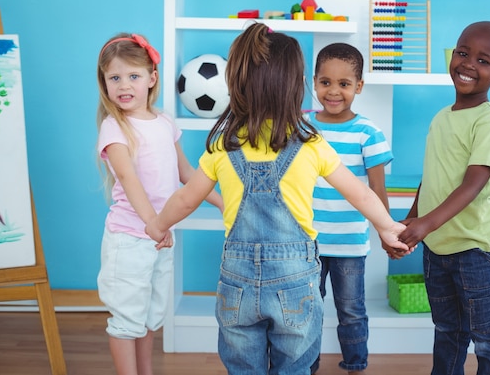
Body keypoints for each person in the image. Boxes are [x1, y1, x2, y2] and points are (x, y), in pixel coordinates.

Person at [144, 23, 411, 375]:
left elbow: (185, 198)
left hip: (236, 280)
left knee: (244, 368)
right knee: (294, 367)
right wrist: (388, 226)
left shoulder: (225, 143)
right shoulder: (311, 142)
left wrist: (158, 225)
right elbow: (360, 193)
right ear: (296, 85)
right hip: (296, 278)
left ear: (237, 84)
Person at [95, 32, 223, 375]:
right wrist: (154, 223)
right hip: (130, 238)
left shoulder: (165, 121)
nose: (125, 85)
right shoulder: (114, 127)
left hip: (160, 236)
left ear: (152, 79)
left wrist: (222, 203)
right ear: (104, 82)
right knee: (127, 319)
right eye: (115, 77)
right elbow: (128, 179)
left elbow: (186, 172)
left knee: (151, 315)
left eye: (133, 76)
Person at [398, 21, 490, 375]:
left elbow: (471, 185)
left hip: (477, 250)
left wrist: (424, 224)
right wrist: (413, 216)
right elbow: (432, 175)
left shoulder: (489, 124)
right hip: (438, 247)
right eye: (463, 53)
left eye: (482, 60)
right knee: (448, 330)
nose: (467, 64)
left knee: (487, 337)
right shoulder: (441, 118)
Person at [306, 43, 394, 375]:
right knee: (307, 311)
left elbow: (377, 189)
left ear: (358, 86)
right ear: (314, 82)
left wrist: (388, 232)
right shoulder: (302, 126)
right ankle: (306, 366)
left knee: (351, 310)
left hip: (349, 243)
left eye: (344, 84)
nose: (333, 91)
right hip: (307, 242)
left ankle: (356, 366)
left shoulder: (367, 133)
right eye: (325, 82)